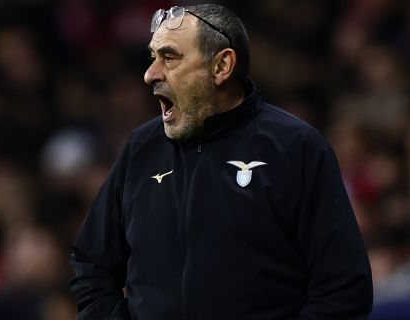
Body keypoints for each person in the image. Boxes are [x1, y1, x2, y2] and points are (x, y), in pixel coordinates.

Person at [70, 4, 373, 320]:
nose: (150, 74)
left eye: (169, 58)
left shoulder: (295, 148)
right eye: (152, 58)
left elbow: (344, 290)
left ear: (222, 66)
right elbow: (91, 263)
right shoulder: (141, 150)